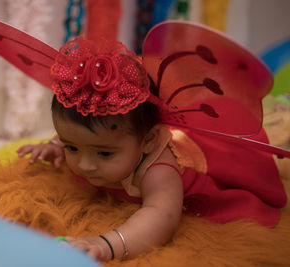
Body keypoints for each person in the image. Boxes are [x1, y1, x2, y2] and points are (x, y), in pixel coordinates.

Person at [16, 36, 287, 261]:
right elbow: (79, 134)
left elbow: (161, 216)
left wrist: (106, 244)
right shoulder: (101, 139)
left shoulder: (159, 169)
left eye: (104, 153)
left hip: (207, 159)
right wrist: (54, 145)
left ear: (149, 141)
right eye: (72, 148)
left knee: (271, 150)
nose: (84, 165)